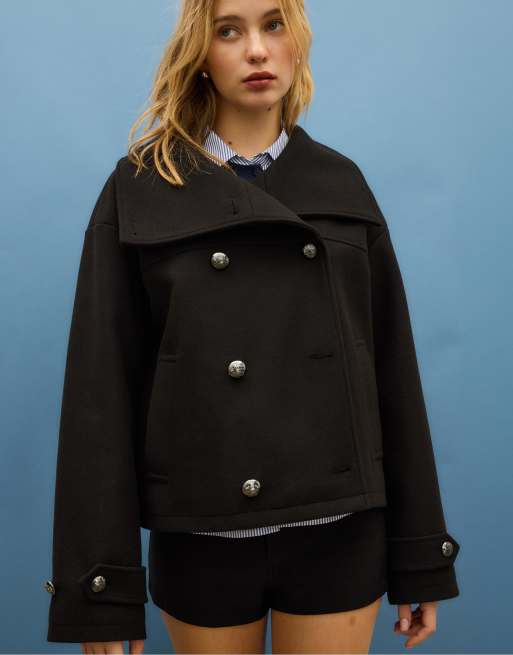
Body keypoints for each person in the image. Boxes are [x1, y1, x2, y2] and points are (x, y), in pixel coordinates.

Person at [44, 0, 461, 653]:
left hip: (338, 530)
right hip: (201, 532)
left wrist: (420, 553)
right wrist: (100, 592)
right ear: (199, 55)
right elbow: (100, 396)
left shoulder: (341, 184)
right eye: (228, 31)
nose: (257, 50)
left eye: (273, 25)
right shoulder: (143, 187)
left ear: (297, 41)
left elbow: (392, 373)